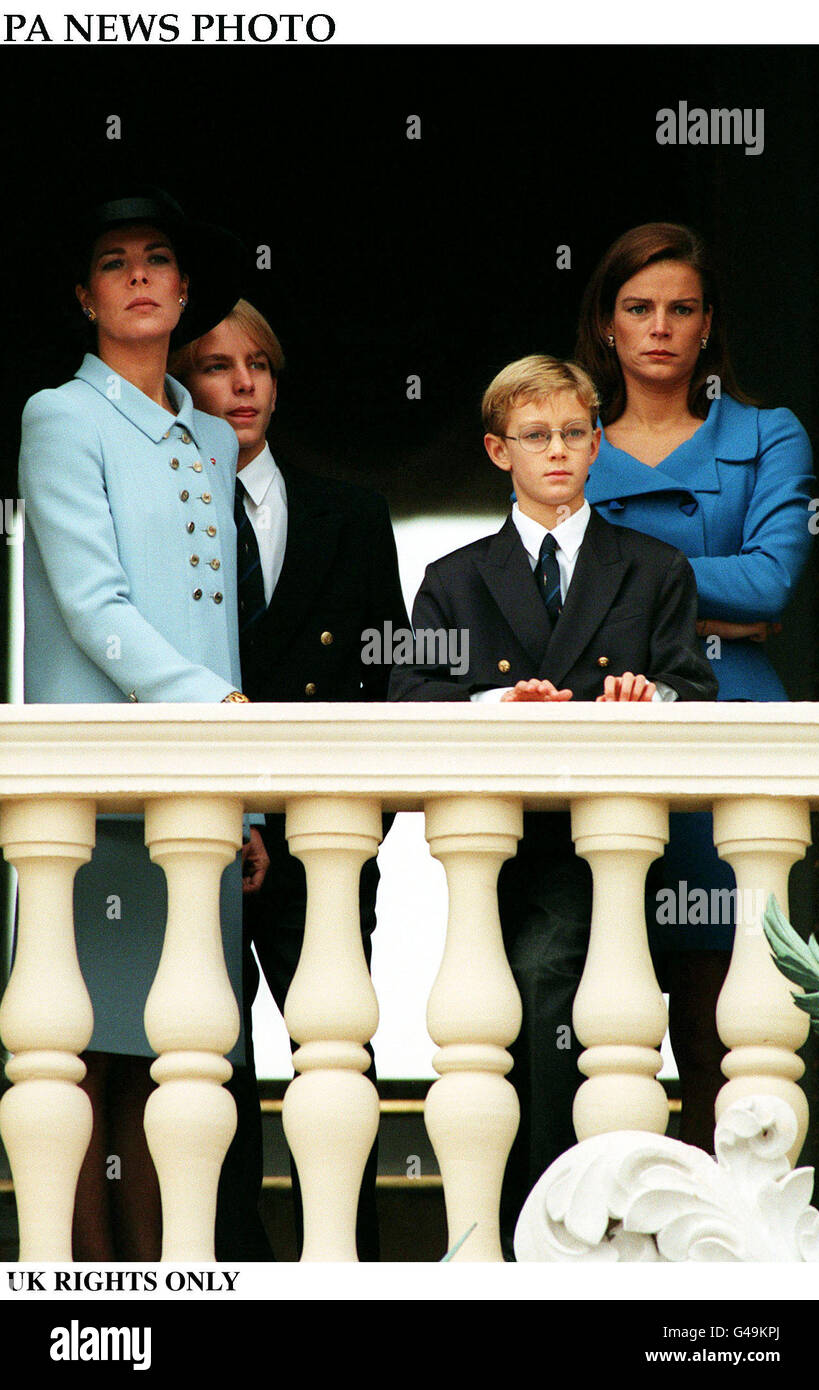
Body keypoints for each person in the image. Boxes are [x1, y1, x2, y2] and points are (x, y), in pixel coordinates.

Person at [388, 354, 718, 1251]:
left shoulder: (652, 568)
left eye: (577, 432)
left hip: (619, 848)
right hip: (500, 852)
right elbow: (411, 693)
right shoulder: (455, 576)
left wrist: (650, 697)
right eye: (537, 436)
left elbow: (694, 688)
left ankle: (567, 1230)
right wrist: (496, 703)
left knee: (577, 1006)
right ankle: (526, 1229)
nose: (560, 450)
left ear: (599, 440)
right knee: (507, 1015)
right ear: (499, 450)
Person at [18, 187, 250, 1260]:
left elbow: (217, 631)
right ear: (84, 294)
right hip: (101, 797)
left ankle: (171, 1290)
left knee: (178, 1062)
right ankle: (87, 1303)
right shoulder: (58, 415)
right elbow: (91, 604)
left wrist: (241, 786)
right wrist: (218, 711)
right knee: (81, 1064)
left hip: (194, 794)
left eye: (159, 257)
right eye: (115, 262)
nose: (142, 275)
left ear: (187, 287)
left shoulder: (208, 434)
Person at [170, 299, 409, 1260]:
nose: (243, 385)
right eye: (218, 366)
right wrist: (236, 813)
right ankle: (231, 1269)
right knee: (210, 1067)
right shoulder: (163, 514)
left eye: (259, 364)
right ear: (183, 382)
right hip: (203, 830)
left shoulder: (351, 511)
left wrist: (340, 825)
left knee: (336, 1056)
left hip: (320, 838)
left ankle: (352, 1269)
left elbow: (389, 679)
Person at [575, 222, 814, 1151]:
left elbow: (773, 583)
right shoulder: (572, 436)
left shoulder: (767, 431)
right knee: (608, 1014)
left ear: (709, 324)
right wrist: (712, 589)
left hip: (735, 731)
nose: (660, 328)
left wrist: (624, 575)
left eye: (681, 308)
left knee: (735, 1017)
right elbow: (561, 601)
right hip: (611, 727)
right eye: (638, 308)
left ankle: (733, 1249)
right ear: (606, 325)